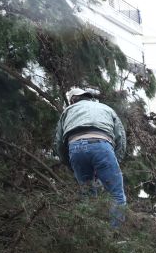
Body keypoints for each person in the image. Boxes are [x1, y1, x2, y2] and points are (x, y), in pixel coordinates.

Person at [54, 86, 127, 227]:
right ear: (88, 97)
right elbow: (121, 139)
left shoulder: (68, 111)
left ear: (72, 101)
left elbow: (59, 143)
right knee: (116, 194)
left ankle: (90, 236)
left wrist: (70, 164)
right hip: (102, 145)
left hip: (75, 148)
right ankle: (114, 236)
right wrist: (115, 160)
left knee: (87, 196)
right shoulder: (106, 109)